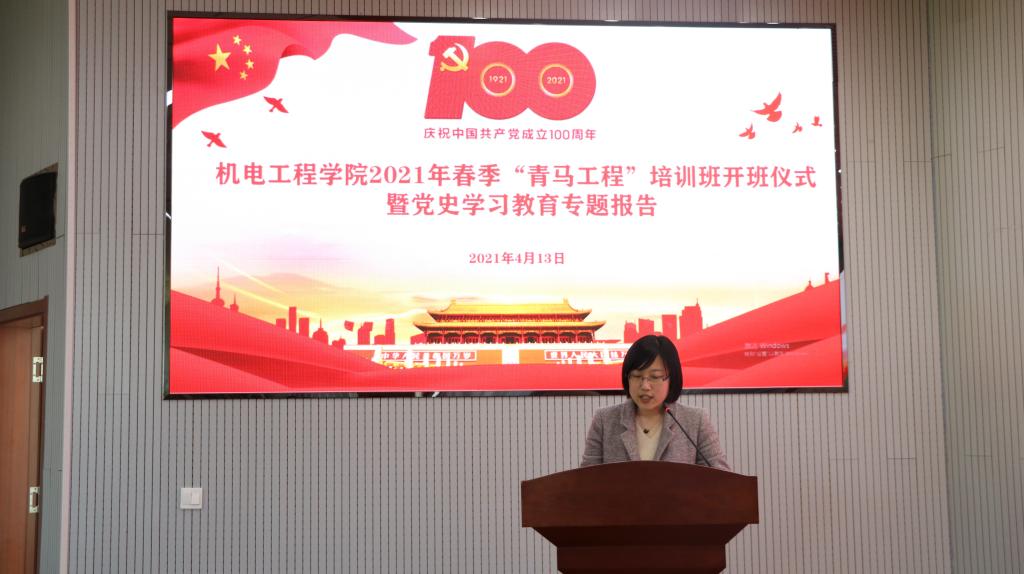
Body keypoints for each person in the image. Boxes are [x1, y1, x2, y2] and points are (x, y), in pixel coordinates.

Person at [580, 334, 730, 470]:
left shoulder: (695, 421)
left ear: (671, 379)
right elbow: (586, 480)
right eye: (637, 376)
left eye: (655, 377)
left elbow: (721, 478)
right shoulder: (604, 420)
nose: (645, 386)